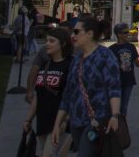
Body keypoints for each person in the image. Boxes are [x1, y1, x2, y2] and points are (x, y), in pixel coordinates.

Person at [52, 15, 121, 157]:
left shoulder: (105, 56)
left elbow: (114, 87)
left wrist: (114, 115)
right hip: (76, 121)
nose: (73, 35)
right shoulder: (77, 59)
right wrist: (57, 124)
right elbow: (68, 94)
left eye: (77, 32)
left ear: (89, 34)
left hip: (97, 120)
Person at [22, 26, 73, 157]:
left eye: (51, 41)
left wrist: (66, 119)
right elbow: (39, 95)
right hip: (42, 122)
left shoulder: (71, 64)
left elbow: (73, 95)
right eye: (46, 41)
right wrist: (28, 119)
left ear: (62, 44)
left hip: (60, 123)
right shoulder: (46, 65)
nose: (47, 44)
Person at [109, 23, 139, 117]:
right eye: (125, 33)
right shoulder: (111, 49)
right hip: (116, 82)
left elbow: (137, 64)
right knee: (115, 107)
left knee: (124, 107)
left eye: (128, 32)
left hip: (129, 80)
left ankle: (122, 127)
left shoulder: (131, 47)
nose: (128, 34)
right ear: (118, 34)